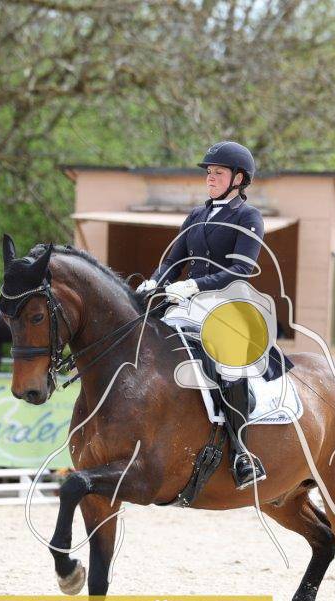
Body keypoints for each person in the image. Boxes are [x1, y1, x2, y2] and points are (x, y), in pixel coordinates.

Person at [138, 141, 269, 489]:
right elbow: (173, 260)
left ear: (238, 179)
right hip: (186, 303)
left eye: (218, 173)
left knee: (229, 364)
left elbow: (241, 269)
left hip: (227, 305)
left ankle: (242, 453)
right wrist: (155, 281)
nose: (210, 178)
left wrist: (194, 284)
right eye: (209, 172)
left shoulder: (248, 217)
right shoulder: (196, 216)